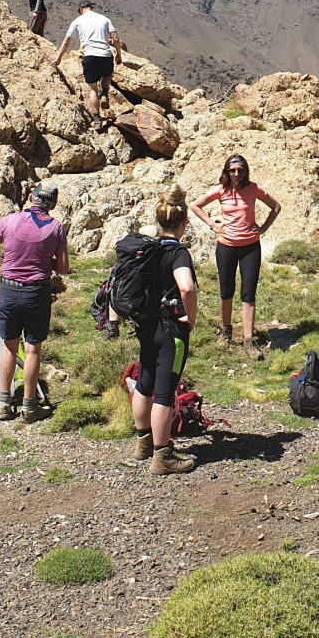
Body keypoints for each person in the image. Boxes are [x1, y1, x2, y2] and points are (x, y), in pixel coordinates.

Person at [0, 184, 70, 423]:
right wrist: (43, 259)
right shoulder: (56, 228)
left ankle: (4, 404)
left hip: (9, 290)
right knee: (33, 349)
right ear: (53, 204)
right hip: (37, 293)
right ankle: (29, 407)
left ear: (31, 198)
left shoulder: (10, 220)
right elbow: (64, 268)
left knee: (9, 346)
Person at [131, 186, 198, 475]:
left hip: (146, 326)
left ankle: (143, 444)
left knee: (144, 383)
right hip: (170, 329)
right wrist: (191, 318)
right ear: (184, 222)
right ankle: (162, 457)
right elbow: (187, 287)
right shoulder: (178, 253)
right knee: (164, 393)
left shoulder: (148, 249)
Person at [190, 154, 281, 358]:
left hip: (250, 247)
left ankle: (249, 341)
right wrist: (212, 224)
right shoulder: (221, 190)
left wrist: (263, 228)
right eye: (232, 170)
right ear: (227, 172)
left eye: (240, 170)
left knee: (248, 293)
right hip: (226, 246)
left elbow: (276, 207)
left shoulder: (254, 189)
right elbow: (195, 205)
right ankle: (226, 331)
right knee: (226, 291)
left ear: (245, 171)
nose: (237, 174)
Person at [54, 1, 122, 131]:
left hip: (90, 56)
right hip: (105, 55)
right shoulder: (104, 19)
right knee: (106, 75)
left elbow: (67, 41)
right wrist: (119, 55)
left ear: (81, 9)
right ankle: (105, 93)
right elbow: (116, 39)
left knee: (93, 89)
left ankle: (97, 120)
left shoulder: (77, 21)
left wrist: (59, 58)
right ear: (91, 7)